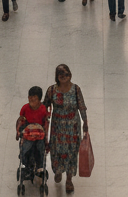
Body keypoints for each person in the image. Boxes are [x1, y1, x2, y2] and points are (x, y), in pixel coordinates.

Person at [45, 65, 88, 194]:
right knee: (56, 151)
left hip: (72, 128)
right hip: (57, 128)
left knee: (72, 153)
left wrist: (85, 122)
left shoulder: (76, 89)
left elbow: (81, 106)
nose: (64, 77)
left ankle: (69, 179)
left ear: (70, 75)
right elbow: (45, 106)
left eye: (66, 74)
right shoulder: (52, 90)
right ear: (57, 76)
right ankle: (58, 171)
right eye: (61, 75)